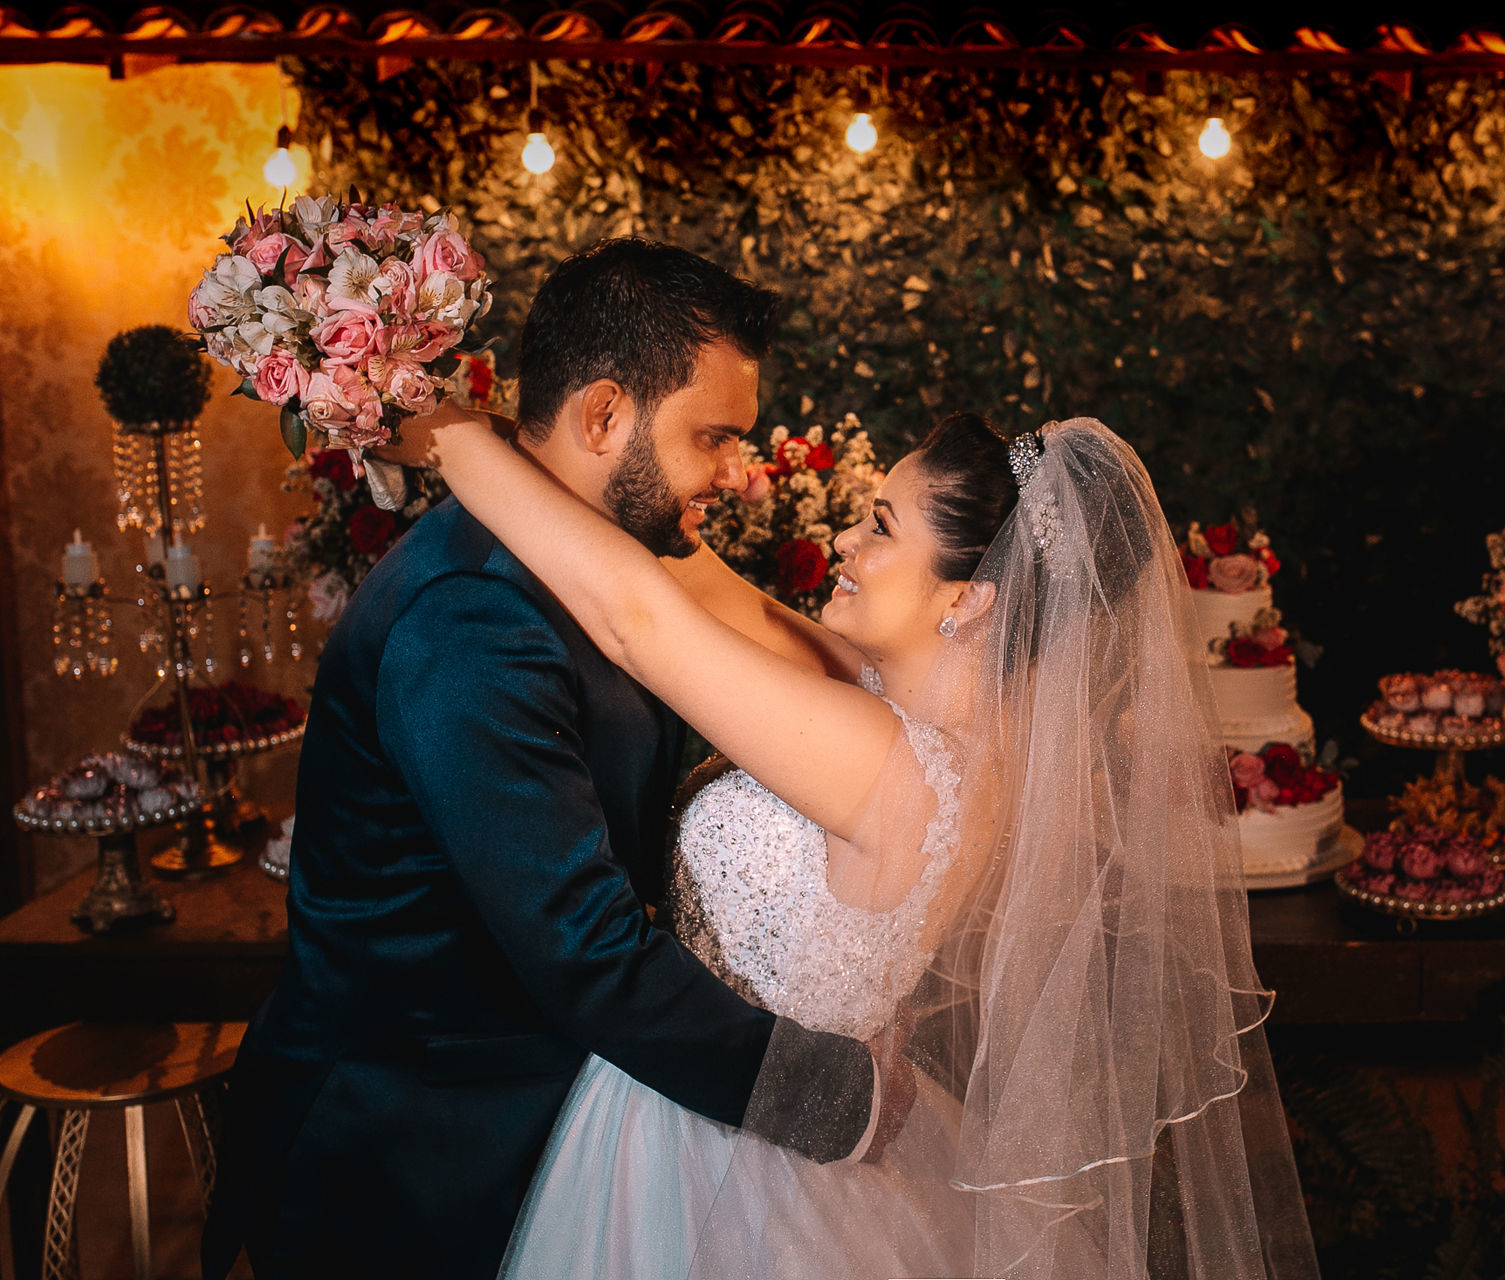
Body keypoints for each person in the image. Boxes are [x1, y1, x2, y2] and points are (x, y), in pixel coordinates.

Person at [385, 380, 1322, 1276]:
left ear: (970, 596)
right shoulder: (912, 720)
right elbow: (707, 588)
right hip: (775, 1106)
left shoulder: (887, 763)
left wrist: (440, 430)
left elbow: (641, 622)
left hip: (725, 1151)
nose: (842, 537)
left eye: (880, 527)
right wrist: (524, 426)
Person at [202, 240, 893, 1280]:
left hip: (544, 1118)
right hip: (415, 1157)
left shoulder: (602, 561)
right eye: (714, 437)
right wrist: (837, 1100)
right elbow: (585, 948)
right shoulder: (473, 619)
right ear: (605, 412)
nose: (737, 473)